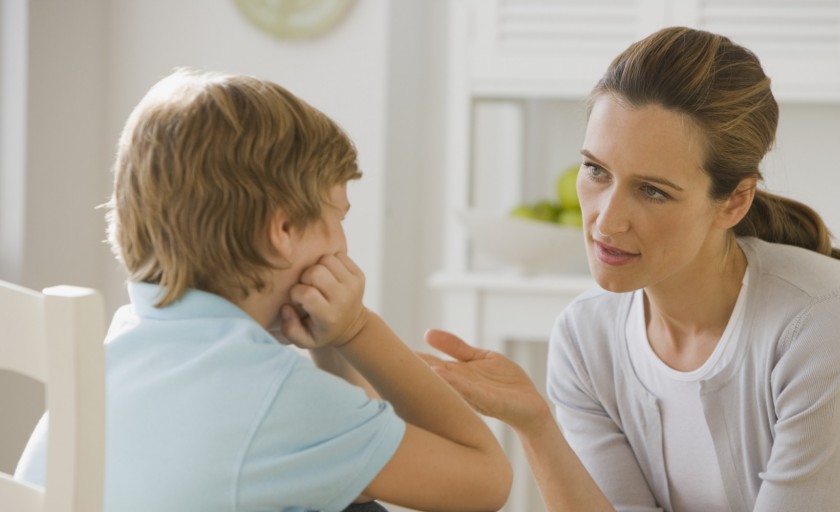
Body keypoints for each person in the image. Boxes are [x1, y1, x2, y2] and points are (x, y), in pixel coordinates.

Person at [421, 26, 840, 512]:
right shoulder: (586, 338)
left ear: (734, 201)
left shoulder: (826, 327)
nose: (606, 220)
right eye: (596, 171)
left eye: (653, 192)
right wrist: (536, 425)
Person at [15, 69, 511, 512]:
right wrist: (357, 329)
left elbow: (350, 465)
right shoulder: (278, 400)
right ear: (284, 230)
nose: (342, 244)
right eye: (339, 216)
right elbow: (486, 481)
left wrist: (329, 346)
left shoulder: (119, 350)